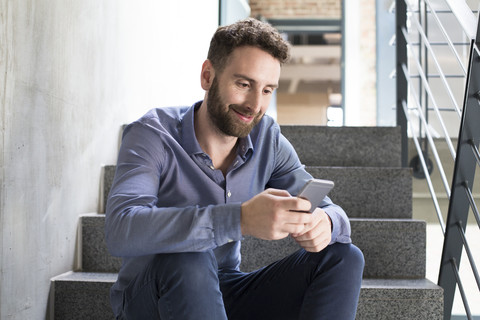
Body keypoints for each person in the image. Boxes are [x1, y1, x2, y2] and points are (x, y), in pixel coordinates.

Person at [105, 18, 364, 320]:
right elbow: (120, 229)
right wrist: (238, 220)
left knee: (343, 257)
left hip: (222, 291)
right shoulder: (152, 134)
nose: (255, 104)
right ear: (207, 76)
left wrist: (327, 222)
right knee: (190, 258)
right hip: (151, 297)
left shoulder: (267, 138)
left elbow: (332, 211)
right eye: (244, 84)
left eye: (267, 90)